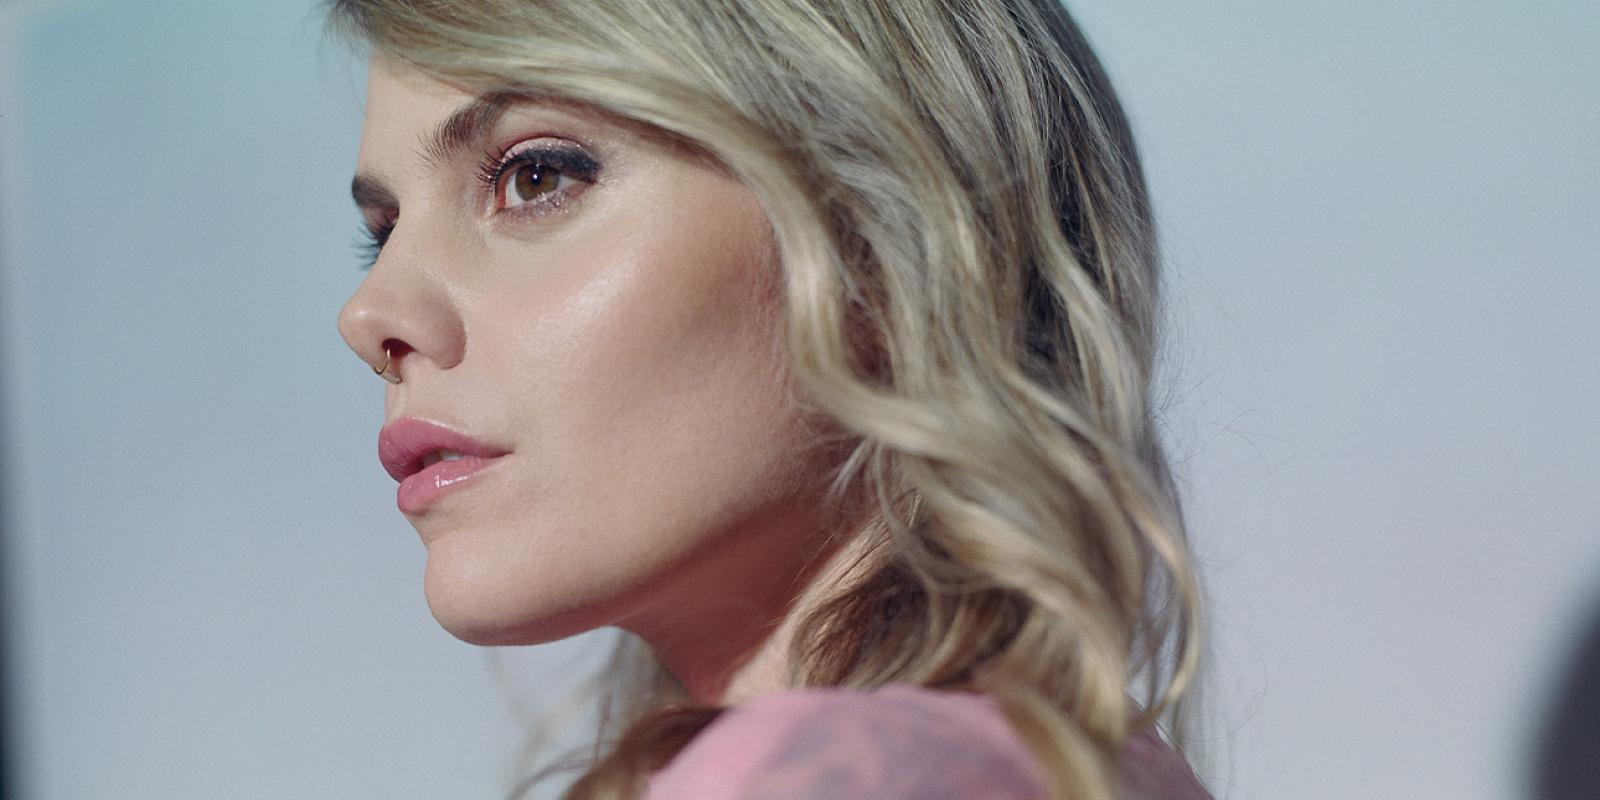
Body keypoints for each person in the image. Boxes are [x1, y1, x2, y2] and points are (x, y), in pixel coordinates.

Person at [330, 0, 1212, 798]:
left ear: (888, 236)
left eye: (535, 178)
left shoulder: (833, 776)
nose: (368, 315)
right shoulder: (1077, 765)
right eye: (385, 232)